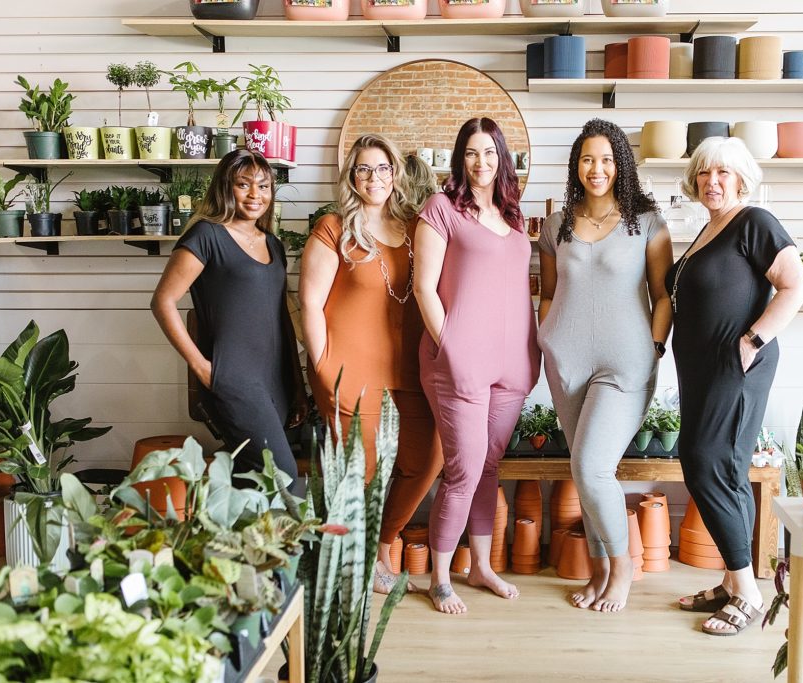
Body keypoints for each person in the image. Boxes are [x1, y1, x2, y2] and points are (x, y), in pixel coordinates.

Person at [666, 136, 803, 635]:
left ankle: (748, 592)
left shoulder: (755, 222)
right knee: (716, 463)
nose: (713, 182)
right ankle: (732, 581)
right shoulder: (709, 229)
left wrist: (752, 340)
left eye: (723, 173)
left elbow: (797, 284)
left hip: (737, 365)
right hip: (700, 368)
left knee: (708, 461)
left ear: (742, 178)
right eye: (704, 173)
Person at [537, 118, 673, 613]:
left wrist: (654, 347)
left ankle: (624, 570)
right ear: (577, 164)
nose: (597, 169)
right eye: (588, 159)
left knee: (593, 468)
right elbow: (549, 293)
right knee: (584, 469)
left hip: (626, 365)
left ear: (622, 165)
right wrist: (546, 336)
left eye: (608, 159)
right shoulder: (557, 226)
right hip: (566, 362)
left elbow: (663, 296)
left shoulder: (648, 223)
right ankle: (598, 573)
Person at [299, 134, 443, 594]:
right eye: (364, 169)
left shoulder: (417, 227)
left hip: (410, 371)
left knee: (425, 461)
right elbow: (309, 303)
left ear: (395, 173)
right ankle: (352, 564)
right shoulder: (333, 226)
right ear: (351, 176)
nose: (374, 177)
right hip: (349, 371)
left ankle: (384, 542)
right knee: (356, 477)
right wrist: (321, 365)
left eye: (383, 168)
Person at [414, 117, 540, 615]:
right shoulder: (441, 209)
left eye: (489, 153)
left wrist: (529, 355)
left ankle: (480, 566)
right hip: (457, 362)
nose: (481, 162)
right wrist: (452, 347)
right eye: (471, 152)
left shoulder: (513, 215)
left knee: (488, 468)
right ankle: (440, 579)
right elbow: (425, 288)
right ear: (459, 158)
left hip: (511, 364)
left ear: (501, 158)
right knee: (463, 470)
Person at [151, 149, 305, 479]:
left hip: (274, 381)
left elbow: (280, 318)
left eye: (264, 187)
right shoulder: (206, 236)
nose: (255, 195)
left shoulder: (273, 244)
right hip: (233, 379)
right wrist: (202, 368)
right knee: (283, 478)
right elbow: (163, 302)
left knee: (251, 483)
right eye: (243, 184)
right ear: (225, 187)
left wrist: (297, 384)